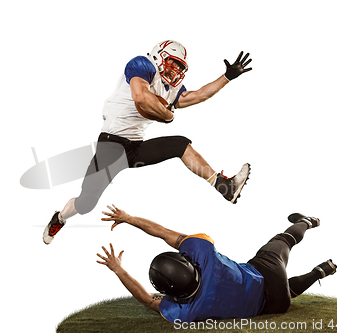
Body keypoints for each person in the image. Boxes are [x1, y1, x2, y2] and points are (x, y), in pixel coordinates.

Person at [44, 40, 253, 244]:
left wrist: (227, 77)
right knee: (86, 203)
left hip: (135, 148)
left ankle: (223, 186)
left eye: (180, 67)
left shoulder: (172, 88)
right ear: (158, 56)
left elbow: (196, 96)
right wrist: (168, 115)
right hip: (110, 146)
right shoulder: (142, 65)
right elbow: (141, 96)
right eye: (173, 63)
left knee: (180, 145)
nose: (175, 71)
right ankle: (60, 218)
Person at [96, 205, 337, 322]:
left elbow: (147, 300)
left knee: (286, 292)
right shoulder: (203, 251)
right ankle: (307, 221)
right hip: (266, 272)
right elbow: (163, 232)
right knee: (285, 239)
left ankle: (319, 272)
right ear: (187, 264)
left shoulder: (185, 312)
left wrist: (118, 269)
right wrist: (128, 218)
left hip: (274, 305)